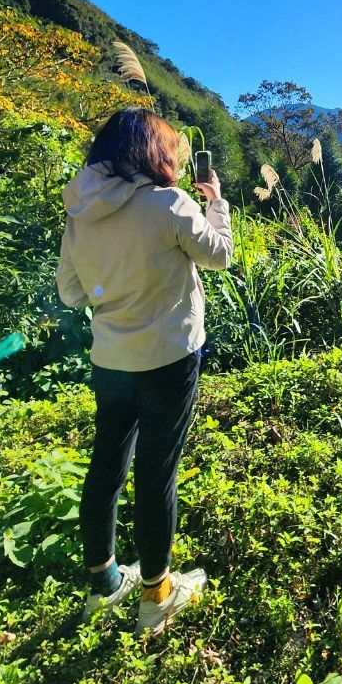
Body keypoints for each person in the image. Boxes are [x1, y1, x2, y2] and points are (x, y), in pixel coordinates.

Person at [56, 107, 233, 636]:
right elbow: (220, 255)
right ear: (151, 153)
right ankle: (157, 595)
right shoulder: (169, 204)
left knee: (107, 463)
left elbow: (70, 292)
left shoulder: (80, 210)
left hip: (111, 359)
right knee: (156, 472)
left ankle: (105, 583)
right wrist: (217, 203)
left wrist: (114, 291)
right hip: (168, 359)